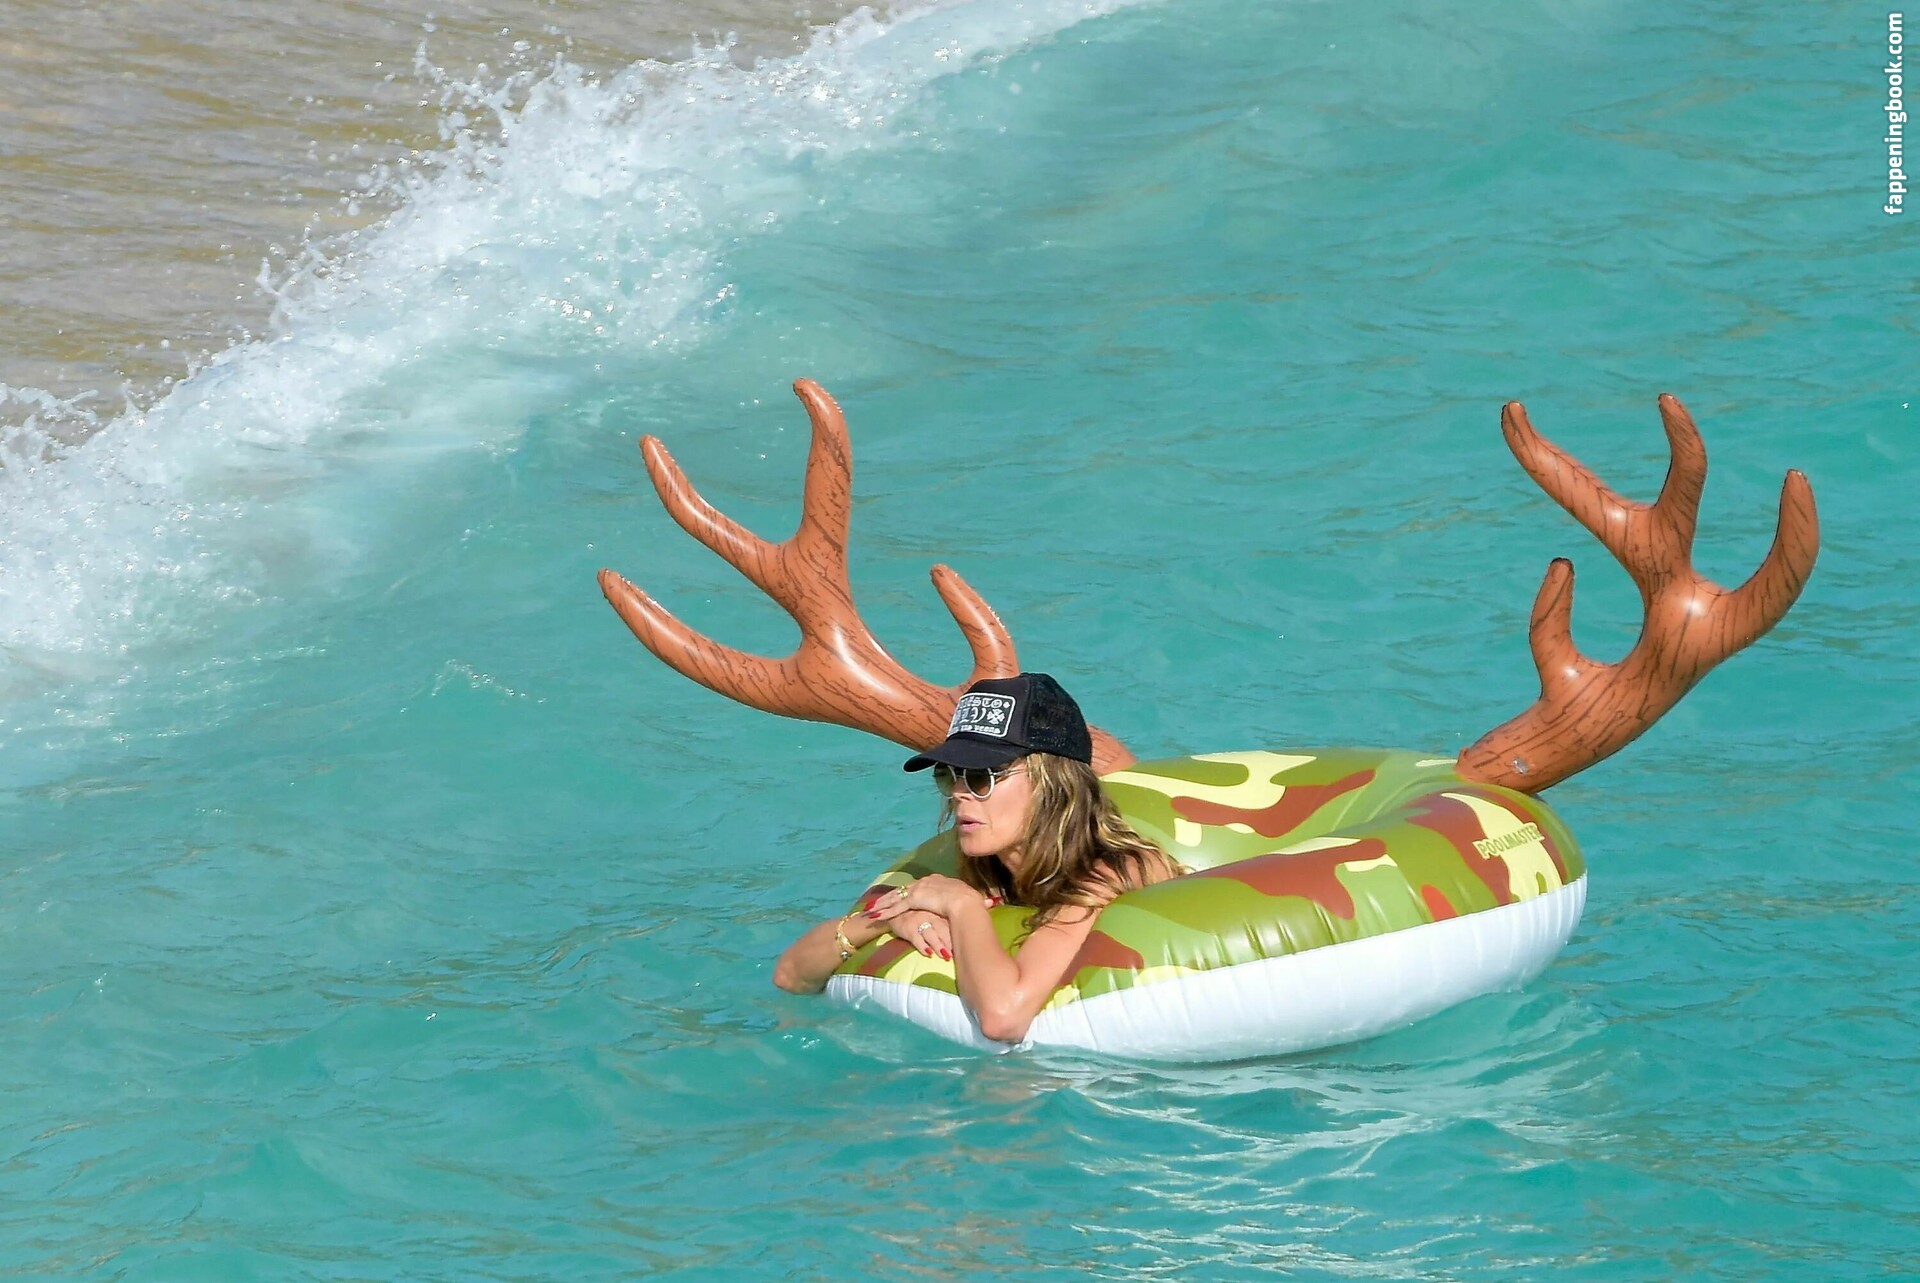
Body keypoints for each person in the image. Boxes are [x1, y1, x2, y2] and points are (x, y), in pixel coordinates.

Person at [772, 672, 1183, 1043]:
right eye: (948, 775)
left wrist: (962, 905)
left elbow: (1003, 1019)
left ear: (1052, 783)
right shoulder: (984, 864)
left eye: (982, 777)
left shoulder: (1111, 870)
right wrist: (892, 919)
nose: (958, 793)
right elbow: (790, 975)